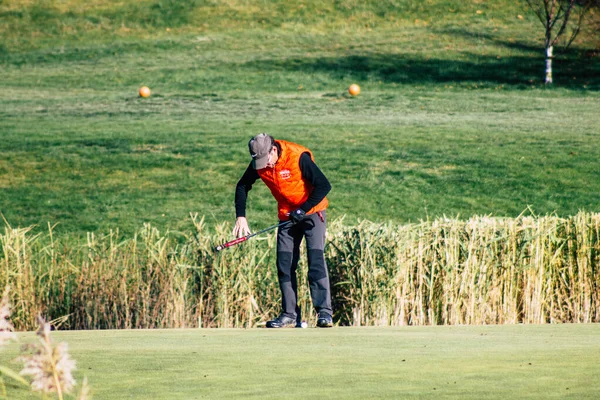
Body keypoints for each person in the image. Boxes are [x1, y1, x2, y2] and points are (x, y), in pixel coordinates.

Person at [234, 133, 333, 328]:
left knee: (316, 261)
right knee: (285, 264)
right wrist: (241, 217)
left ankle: (324, 313)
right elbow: (242, 185)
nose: (265, 165)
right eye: (259, 162)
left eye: (266, 160)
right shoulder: (260, 164)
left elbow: (324, 185)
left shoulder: (297, 157)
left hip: (313, 212)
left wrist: (302, 209)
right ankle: (289, 314)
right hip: (287, 217)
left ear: (273, 150)